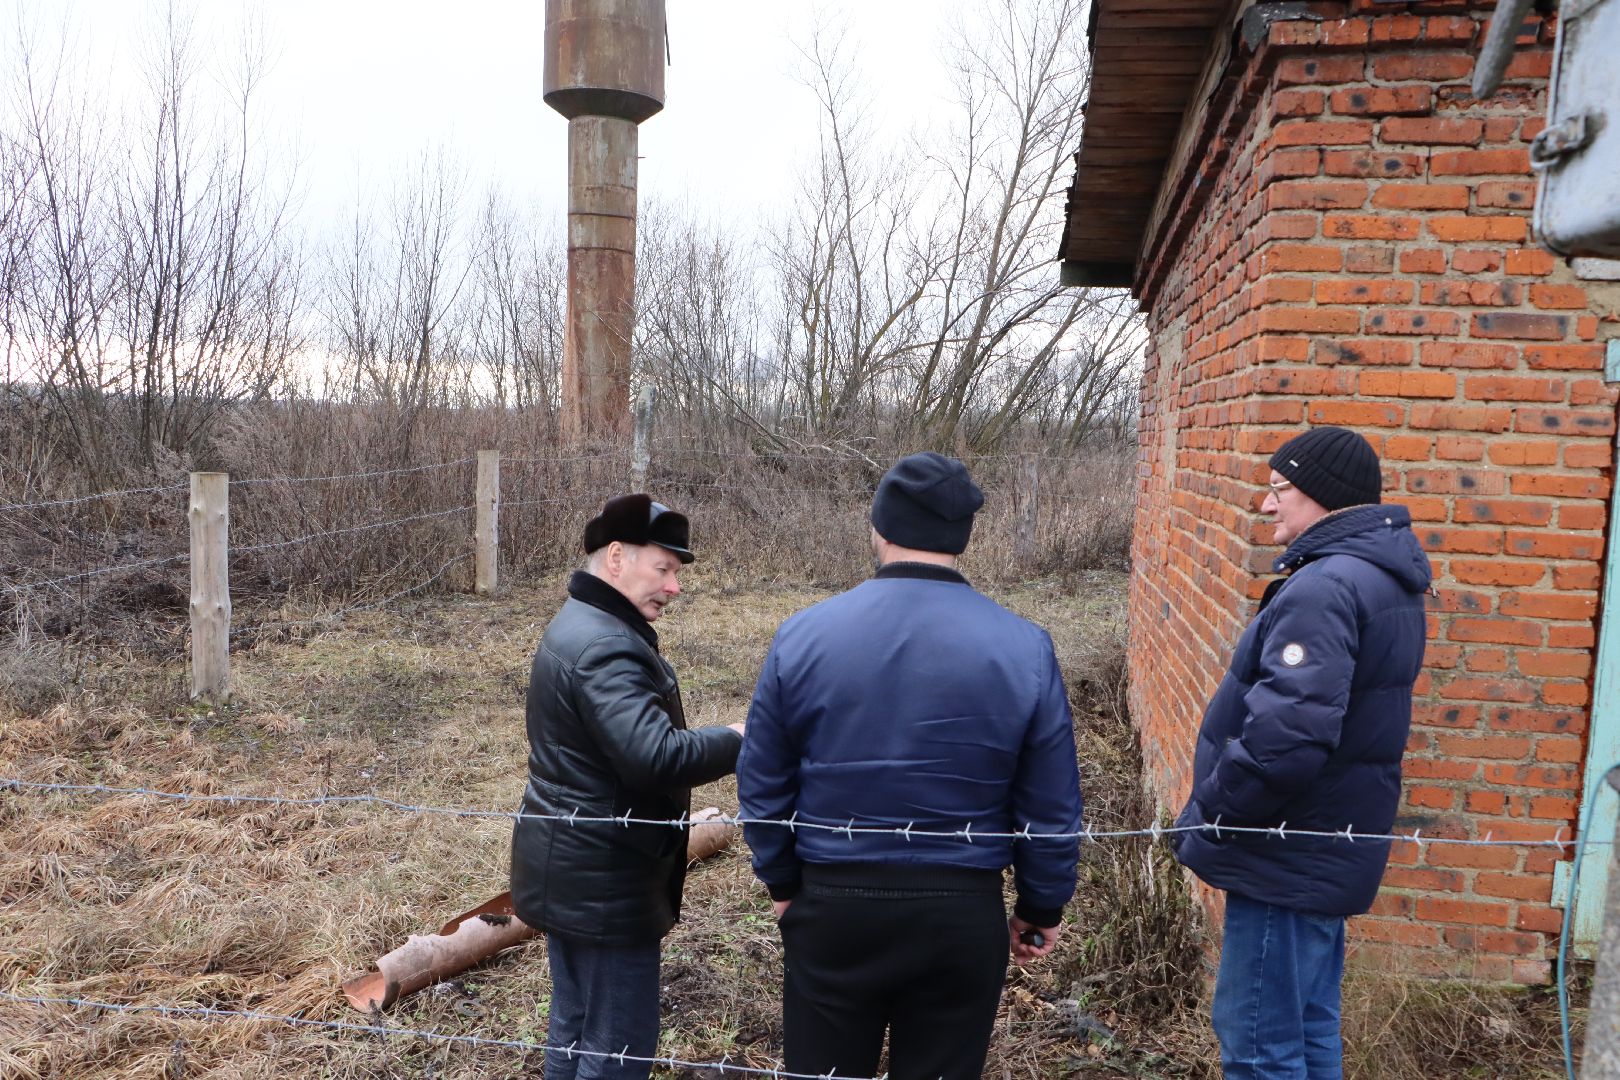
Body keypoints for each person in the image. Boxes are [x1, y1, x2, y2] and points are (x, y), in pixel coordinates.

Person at [736, 451, 1084, 1080]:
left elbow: (763, 779)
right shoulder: (1023, 646)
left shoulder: (804, 634)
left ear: (880, 527)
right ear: (962, 537)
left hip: (834, 903)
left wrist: (783, 883)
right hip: (960, 912)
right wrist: (1041, 907)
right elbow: (1050, 801)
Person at [1172, 426, 1431, 1079]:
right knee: (1309, 1029)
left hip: (1286, 852)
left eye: (1279, 489)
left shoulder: (1326, 586)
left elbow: (1288, 735)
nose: (1267, 506)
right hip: (1321, 847)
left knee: (1258, 1043)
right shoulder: (1382, 578)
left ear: (1322, 496)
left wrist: (1217, 808)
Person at [509, 494, 744, 1080]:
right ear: (616, 558)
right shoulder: (606, 644)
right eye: (663, 569)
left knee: (576, 1025)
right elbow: (654, 756)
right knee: (617, 1045)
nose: (674, 586)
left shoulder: (582, 622)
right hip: (606, 878)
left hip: (572, 861)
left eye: (677, 573)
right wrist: (744, 734)